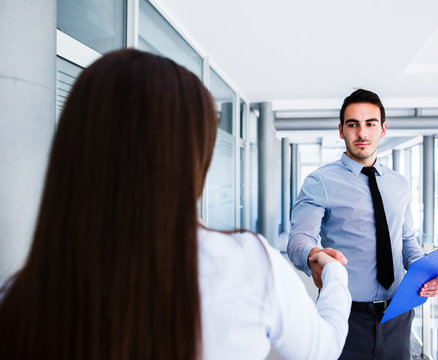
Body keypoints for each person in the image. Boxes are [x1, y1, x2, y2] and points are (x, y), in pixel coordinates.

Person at [0, 49, 351, 360]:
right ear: (189, 156)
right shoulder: (249, 265)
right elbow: (323, 347)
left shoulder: (18, 299)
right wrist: (335, 275)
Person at [287, 89, 438, 359]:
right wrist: (313, 255)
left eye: (370, 123)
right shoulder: (320, 182)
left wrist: (428, 272)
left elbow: (407, 241)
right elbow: (299, 239)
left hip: (398, 315)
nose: (362, 133)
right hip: (345, 316)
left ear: (383, 129)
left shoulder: (399, 184)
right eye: (353, 124)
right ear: (341, 130)